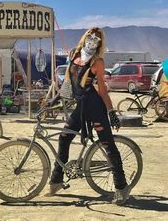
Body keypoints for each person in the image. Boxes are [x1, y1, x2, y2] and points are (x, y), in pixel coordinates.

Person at [45, 27, 131, 205]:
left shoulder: (97, 62)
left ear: (100, 43)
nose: (93, 40)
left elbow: (102, 90)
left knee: (108, 145)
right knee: (64, 138)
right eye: (90, 36)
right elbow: (68, 84)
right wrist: (53, 101)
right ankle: (56, 180)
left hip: (95, 108)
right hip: (81, 108)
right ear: (85, 37)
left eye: (97, 38)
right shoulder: (74, 55)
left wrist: (111, 112)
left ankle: (122, 187)